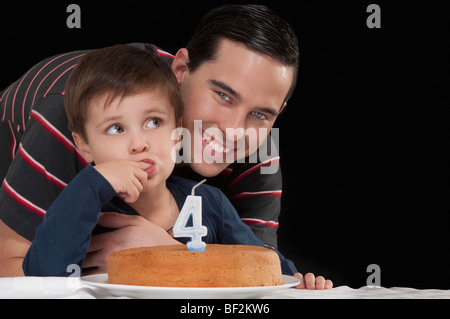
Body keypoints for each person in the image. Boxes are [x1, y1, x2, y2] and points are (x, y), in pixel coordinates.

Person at [0, 5, 331, 289]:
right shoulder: (80, 119)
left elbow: (257, 275)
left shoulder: (256, 149)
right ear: (181, 70)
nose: (233, 131)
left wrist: (169, 256)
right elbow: (12, 274)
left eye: (259, 114)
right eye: (223, 95)